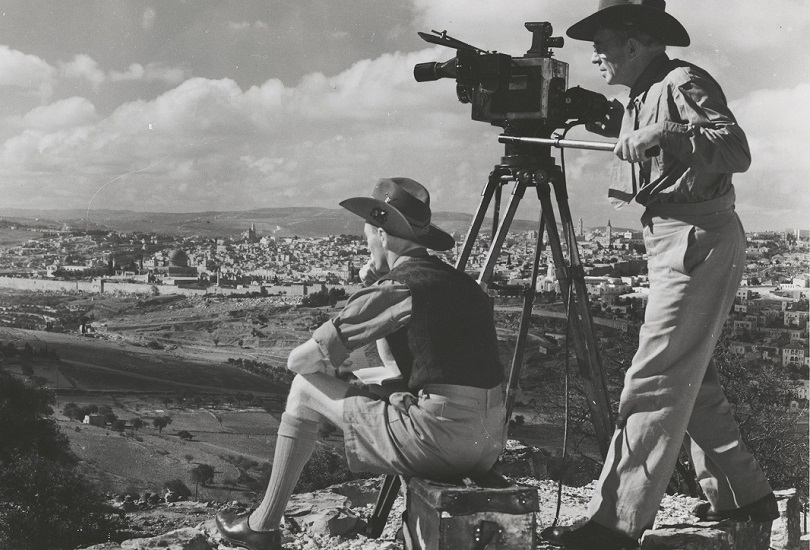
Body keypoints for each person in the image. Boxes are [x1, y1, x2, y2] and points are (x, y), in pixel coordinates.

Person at [540, 2, 779, 549]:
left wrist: (668, 133)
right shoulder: (644, 94)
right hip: (676, 238)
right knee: (690, 379)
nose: (595, 54)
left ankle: (615, 524)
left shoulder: (681, 81)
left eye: (601, 42)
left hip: (696, 237)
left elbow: (736, 149)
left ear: (633, 42)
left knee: (654, 378)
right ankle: (745, 495)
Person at [216, 177, 507, 550]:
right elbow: (398, 369)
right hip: (486, 440)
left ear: (383, 236)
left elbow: (297, 361)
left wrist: (367, 295)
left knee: (305, 387)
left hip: (442, 441)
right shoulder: (460, 284)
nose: (367, 244)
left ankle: (263, 524)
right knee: (379, 386)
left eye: (368, 236)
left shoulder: (400, 287)